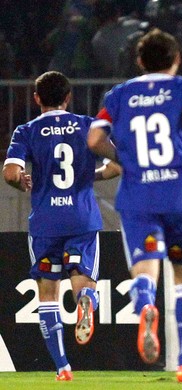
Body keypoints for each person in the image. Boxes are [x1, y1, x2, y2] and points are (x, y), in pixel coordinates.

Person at [87, 28, 182, 383]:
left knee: (145, 268)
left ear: (140, 61)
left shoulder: (118, 95)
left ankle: (146, 306)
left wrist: (125, 159)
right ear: (176, 60)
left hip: (138, 195)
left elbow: (95, 138)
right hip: (179, 193)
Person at [2, 70, 121, 381]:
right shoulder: (86, 126)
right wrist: (90, 175)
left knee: (48, 294)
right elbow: (116, 164)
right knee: (83, 281)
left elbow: (11, 174)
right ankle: (85, 302)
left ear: (37, 98)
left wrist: (21, 182)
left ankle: (62, 367)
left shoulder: (25, 130)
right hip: (81, 218)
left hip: (45, 223)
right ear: (68, 97)